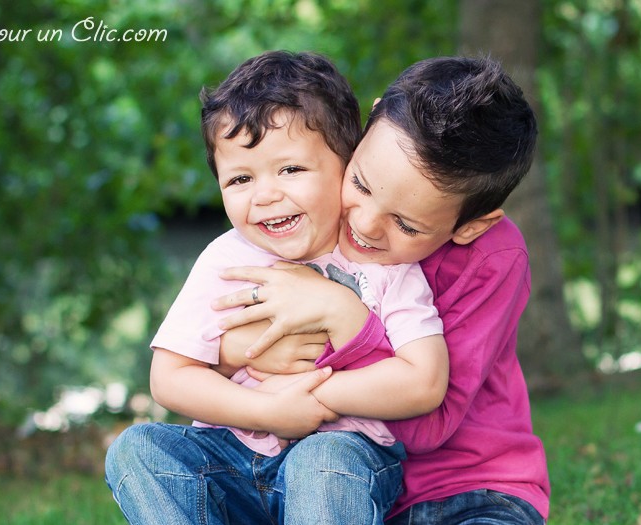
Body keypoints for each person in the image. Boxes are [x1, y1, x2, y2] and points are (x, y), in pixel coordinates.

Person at [105, 50, 450, 525]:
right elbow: (170, 377)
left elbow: (424, 381)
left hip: (341, 456)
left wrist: (314, 403)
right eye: (241, 178)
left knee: (322, 459)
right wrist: (267, 411)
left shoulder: (380, 259)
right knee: (136, 449)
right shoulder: (225, 259)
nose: (266, 194)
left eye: (290, 170)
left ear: (348, 165)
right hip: (228, 454)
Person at [212, 55, 550, 524]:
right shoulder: (310, 203)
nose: (364, 225)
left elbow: (431, 420)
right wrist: (233, 352)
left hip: (469, 487)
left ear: (471, 226)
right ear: (366, 129)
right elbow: (224, 340)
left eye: (407, 224)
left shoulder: (493, 257)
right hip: (337, 480)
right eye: (362, 184)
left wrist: (343, 317)